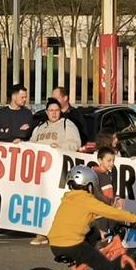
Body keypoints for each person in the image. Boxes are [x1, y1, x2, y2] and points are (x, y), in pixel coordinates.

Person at [28, 98, 83, 246]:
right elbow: (31, 146)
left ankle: (60, 233)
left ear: (61, 112)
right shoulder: (39, 127)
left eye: (56, 110)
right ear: (46, 112)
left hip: (59, 171)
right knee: (40, 201)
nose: (53, 113)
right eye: (51, 111)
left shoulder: (67, 124)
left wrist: (59, 145)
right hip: (41, 172)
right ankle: (41, 233)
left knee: (58, 202)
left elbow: (76, 144)